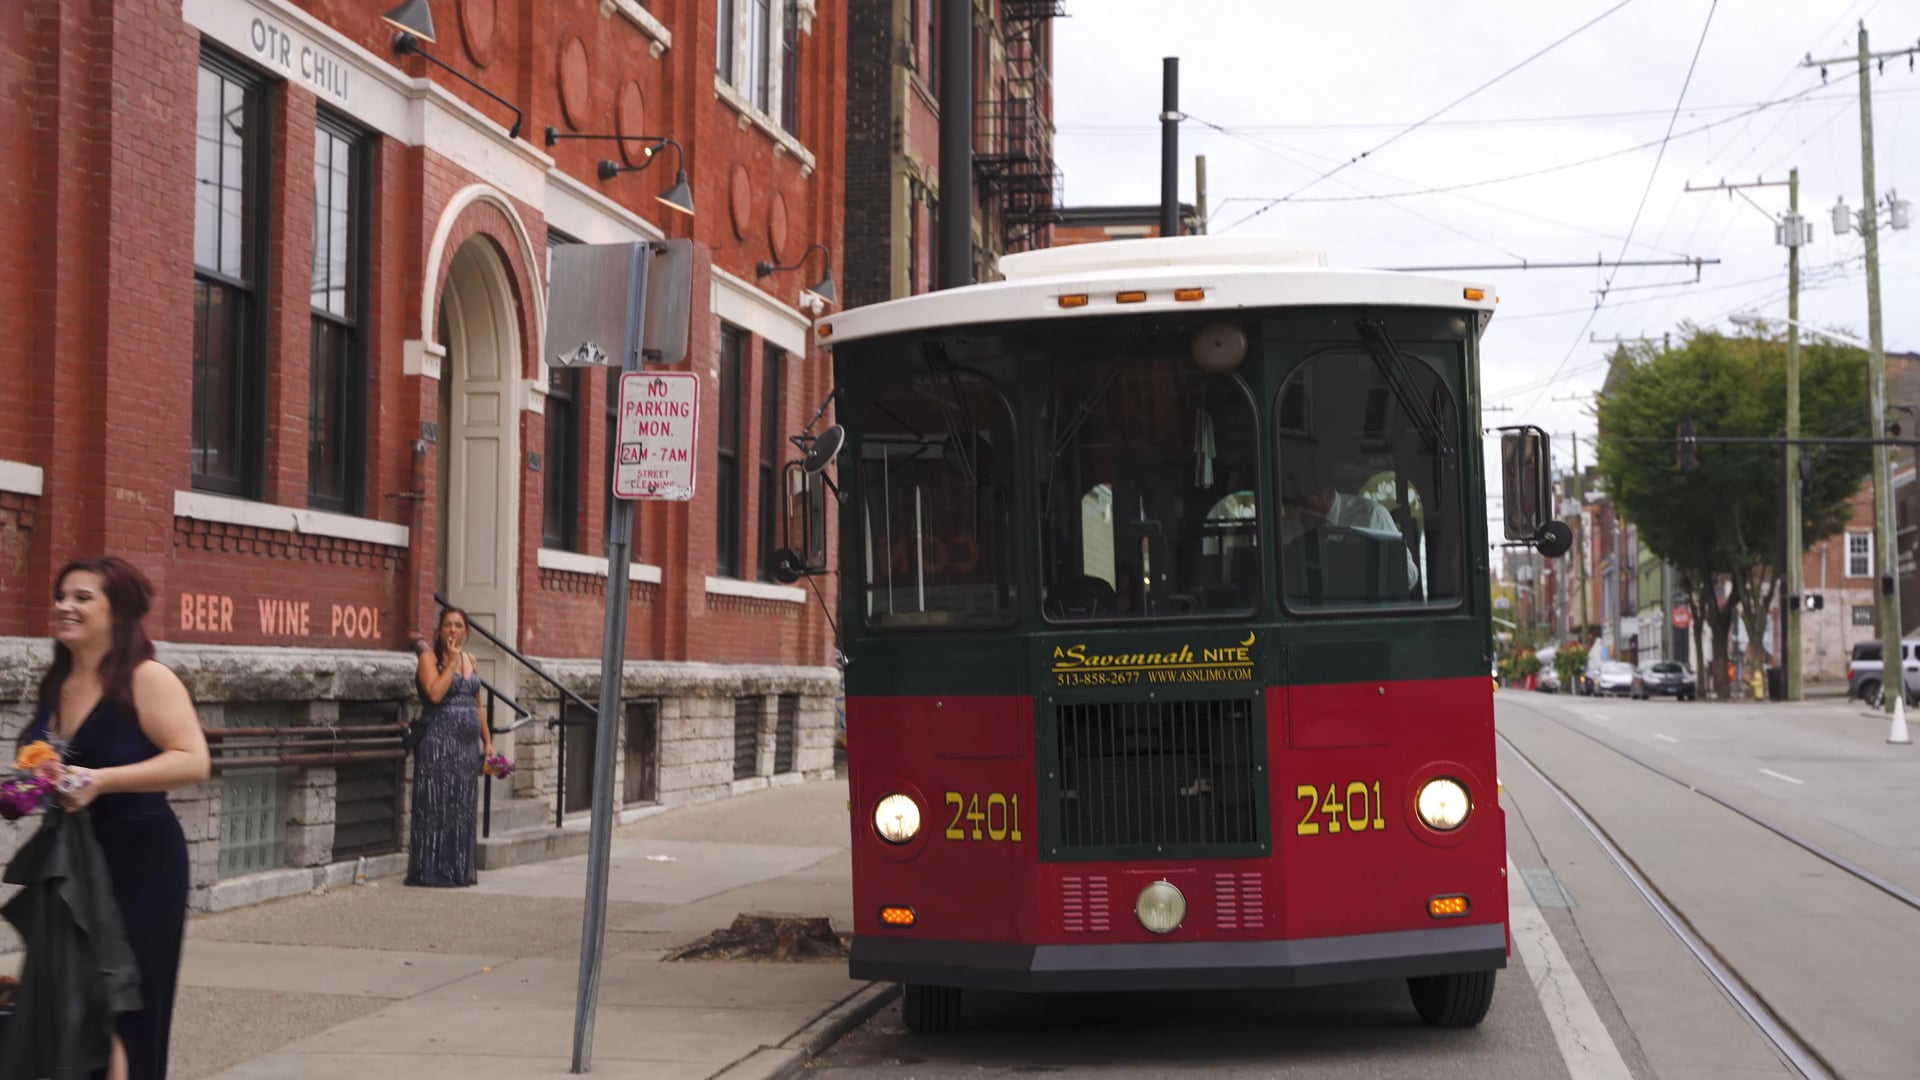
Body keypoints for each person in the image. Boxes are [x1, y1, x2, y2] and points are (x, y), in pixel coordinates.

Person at [21, 556, 211, 1080]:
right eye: (62, 595)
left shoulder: (146, 679)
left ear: (118, 613)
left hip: (140, 863)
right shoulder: (55, 683)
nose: (65, 606)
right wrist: (26, 784)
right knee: (70, 1006)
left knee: (124, 1004)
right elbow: (45, 768)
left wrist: (101, 780)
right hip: (69, 863)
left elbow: (193, 760)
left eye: (83, 598)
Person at [405, 606, 492, 888]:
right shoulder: (429, 658)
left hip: (466, 750)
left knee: (460, 808)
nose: (452, 630)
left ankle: (456, 869)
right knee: (436, 806)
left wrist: (487, 742)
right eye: (447, 625)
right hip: (438, 745)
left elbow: (478, 707)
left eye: (457, 625)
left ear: (466, 631)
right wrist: (452, 663)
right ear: (440, 631)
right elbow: (433, 693)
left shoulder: (472, 660)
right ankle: (430, 870)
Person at [1282, 465, 1421, 589]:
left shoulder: (1372, 515)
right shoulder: (1290, 521)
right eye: (1293, 501)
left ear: (1326, 492)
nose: (1297, 508)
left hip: (1360, 610)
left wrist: (1369, 557)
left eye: (1303, 500)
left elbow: (1409, 576)